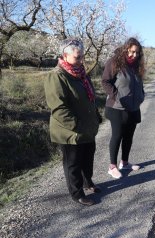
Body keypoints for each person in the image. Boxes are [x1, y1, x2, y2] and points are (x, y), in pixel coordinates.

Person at [44, 38, 101, 206]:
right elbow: (59, 108)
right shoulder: (56, 76)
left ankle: (87, 182)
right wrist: (77, 126)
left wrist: (95, 117)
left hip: (87, 128)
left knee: (87, 158)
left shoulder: (81, 73)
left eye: (82, 56)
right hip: (70, 131)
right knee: (73, 163)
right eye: (77, 57)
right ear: (65, 56)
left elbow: (90, 99)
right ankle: (77, 193)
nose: (81, 60)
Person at [102, 37, 145, 179]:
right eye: (131, 52)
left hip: (133, 107)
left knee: (128, 136)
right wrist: (115, 96)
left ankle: (124, 163)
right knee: (117, 135)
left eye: (137, 53)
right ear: (125, 49)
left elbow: (139, 83)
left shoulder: (137, 65)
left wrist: (141, 95)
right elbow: (105, 81)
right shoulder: (114, 62)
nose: (134, 55)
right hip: (117, 107)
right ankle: (112, 166)